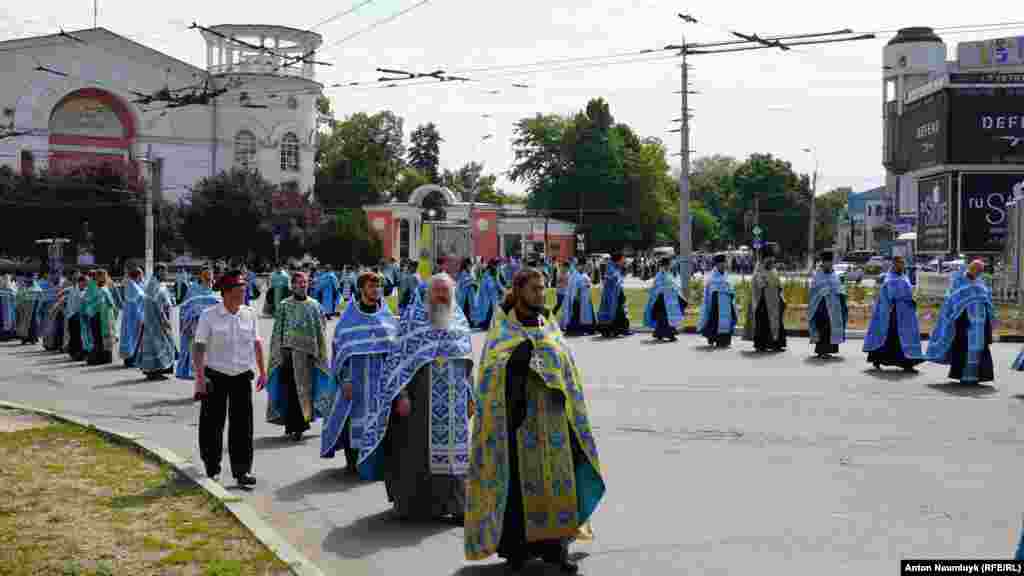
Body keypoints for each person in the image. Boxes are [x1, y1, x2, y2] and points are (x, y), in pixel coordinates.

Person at [465, 267, 605, 574]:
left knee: (559, 484)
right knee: (518, 490)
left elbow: (568, 371)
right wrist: (519, 359)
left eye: (543, 289)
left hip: (555, 422)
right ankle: (517, 551)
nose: (541, 294)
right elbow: (491, 373)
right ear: (518, 292)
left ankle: (557, 550)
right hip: (520, 423)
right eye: (535, 289)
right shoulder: (503, 331)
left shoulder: (548, 325)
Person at [356, 273, 473, 521]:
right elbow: (397, 362)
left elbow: (467, 361)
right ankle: (415, 505)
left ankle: (457, 505)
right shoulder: (413, 320)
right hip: (419, 400)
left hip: (454, 402)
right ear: (428, 293)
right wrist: (401, 395)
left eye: (446, 291)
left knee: (455, 457)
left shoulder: (460, 319)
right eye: (437, 291)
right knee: (415, 453)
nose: (442, 296)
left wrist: (470, 395)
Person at [192, 270, 266, 486]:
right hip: (216, 375)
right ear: (225, 293)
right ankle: (212, 467)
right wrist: (199, 378)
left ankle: (242, 471)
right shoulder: (209, 315)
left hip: (242, 376)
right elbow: (198, 347)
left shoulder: (250, 314)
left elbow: (257, 343)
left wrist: (263, 371)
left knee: (243, 426)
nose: (242, 295)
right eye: (237, 291)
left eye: (244, 291)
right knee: (212, 424)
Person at [321, 271, 398, 473]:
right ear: (362, 288)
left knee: (380, 420)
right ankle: (352, 462)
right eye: (372, 286)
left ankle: (377, 462)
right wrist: (344, 380)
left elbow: (395, 349)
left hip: (380, 381)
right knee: (352, 422)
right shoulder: (350, 317)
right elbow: (339, 351)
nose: (376, 290)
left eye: (379, 286)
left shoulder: (386, 314)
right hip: (355, 379)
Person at [265, 272, 334, 441]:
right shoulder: (284, 305)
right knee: (290, 391)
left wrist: (319, 352)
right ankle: (291, 424)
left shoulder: (315, 305)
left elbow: (321, 330)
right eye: (299, 282)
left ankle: (300, 426)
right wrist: (278, 353)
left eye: (305, 282)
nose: (303, 285)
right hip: (288, 355)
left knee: (305, 392)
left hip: (308, 356)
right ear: (293, 285)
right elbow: (277, 332)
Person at [928, 260, 994, 384]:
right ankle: (963, 375)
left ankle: (978, 376)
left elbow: (987, 299)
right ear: (971, 268)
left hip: (980, 322)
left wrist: (989, 318)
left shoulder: (981, 282)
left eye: (981, 271)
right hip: (964, 320)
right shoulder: (958, 281)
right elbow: (951, 299)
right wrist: (962, 313)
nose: (979, 273)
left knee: (980, 348)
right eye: (978, 270)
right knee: (963, 348)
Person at [863, 256, 924, 372]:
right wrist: (907, 297)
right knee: (890, 336)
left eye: (902, 263)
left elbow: (908, 290)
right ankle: (878, 359)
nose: (901, 266)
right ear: (894, 265)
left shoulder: (904, 277)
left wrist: (912, 297)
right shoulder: (890, 279)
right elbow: (892, 295)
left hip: (906, 313)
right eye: (899, 264)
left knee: (906, 337)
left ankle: (907, 363)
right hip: (893, 312)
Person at [176, 269, 222, 379]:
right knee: (195, 352)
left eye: (211, 279)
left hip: (210, 329)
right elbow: (185, 307)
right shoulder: (193, 290)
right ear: (202, 278)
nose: (210, 282)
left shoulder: (213, 292)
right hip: (194, 326)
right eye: (207, 279)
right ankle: (194, 373)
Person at [743, 249, 786, 352]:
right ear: (764, 259)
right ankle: (761, 345)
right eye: (769, 258)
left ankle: (776, 344)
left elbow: (778, 284)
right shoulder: (758, 271)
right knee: (763, 324)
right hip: (762, 302)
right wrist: (765, 282)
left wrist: (781, 295)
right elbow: (760, 285)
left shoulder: (774, 270)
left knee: (777, 323)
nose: (771, 260)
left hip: (775, 301)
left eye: (772, 258)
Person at [139, 265, 177, 380]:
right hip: (156, 322)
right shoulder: (154, 286)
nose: (166, 274)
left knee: (158, 345)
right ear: (159, 272)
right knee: (159, 346)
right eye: (165, 272)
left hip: (154, 321)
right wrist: (165, 320)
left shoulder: (155, 284)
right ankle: (155, 372)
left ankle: (156, 371)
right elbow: (158, 306)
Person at [808, 251, 848, 359]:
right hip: (821, 306)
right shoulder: (817, 275)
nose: (829, 264)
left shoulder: (835, 274)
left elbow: (840, 287)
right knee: (823, 328)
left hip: (834, 307)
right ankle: (821, 351)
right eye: (827, 262)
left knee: (831, 328)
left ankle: (829, 350)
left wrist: (840, 291)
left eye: (830, 262)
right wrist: (822, 290)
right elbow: (813, 290)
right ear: (823, 263)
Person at [697, 254, 737, 348]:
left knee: (726, 321)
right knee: (715, 321)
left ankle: (725, 340)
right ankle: (715, 338)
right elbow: (710, 290)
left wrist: (730, 293)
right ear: (717, 264)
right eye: (721, 263)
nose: (723, 265)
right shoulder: (711, 276)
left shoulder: (727, 275)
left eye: (724, 263)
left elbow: (731, 288)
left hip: (727, 303)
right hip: (716, 304)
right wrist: (718, 292)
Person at [644, 257, 687, 342]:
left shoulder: (668, 273)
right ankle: (668, 334)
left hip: (670, 299)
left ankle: (660, 333)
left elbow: (674, 284)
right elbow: (658, 287)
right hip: (662, 300)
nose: (669, 266)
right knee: (664, 318)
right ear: (664, 265)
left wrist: (676, 290)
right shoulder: (660, 274)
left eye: (669, 265)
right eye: (668, 264)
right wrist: (667, 288)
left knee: (667, 318)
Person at [81, 270, 117, 365]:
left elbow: (111, 303)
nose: (103, 278)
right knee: (97, 338)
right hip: (96, 315)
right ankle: (99, 358)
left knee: (104, 337)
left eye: (104, 276)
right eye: (101, 276)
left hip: (105, 316)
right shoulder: (92, 287)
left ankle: (105, 358)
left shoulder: (104, 287)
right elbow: (87, 300)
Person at [597, 253, 631, 338]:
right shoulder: (610, 268)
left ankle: (621, 329)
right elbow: (611, 279)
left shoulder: (615, 267)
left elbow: (619, 278)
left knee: (620, 311)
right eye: (622, 259)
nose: (624, 261)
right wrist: (616, 278)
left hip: (617, 293)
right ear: (618, 260)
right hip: (611, 295)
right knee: (613, 312)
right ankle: (612, 330)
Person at [119, 268, 146, 367]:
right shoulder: (131, 284)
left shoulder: (132, 284)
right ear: (138, 275)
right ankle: (131, 359)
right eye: (141, 276)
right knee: (132, 337)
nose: (142, 278)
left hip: (133, 314)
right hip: (133, 315)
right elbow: (141, 297)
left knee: (130, 337)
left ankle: (131, 358)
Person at [472, 260, 503, 331]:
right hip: (486, 296)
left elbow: (497, 283)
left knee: (491, 311)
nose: (497, 268)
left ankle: (486, 324)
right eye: (496, 266)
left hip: (491, 296)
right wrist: (497, 288)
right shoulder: (487, 274)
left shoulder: (494, 273)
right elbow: (489, 285)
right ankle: (484, 325)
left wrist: (501, 289)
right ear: (493, 266)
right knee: (487, 311)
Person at [64, 273, 88, 360]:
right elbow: (71, 304)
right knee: (75, 336)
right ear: (80, 282)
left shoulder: (85, 290)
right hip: (73, 316)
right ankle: (74, 353)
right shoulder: (73, 290)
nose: (85, 284)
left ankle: (80, 353)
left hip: (81, 317)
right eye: (84, 282)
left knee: (81, 336)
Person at [15, 276, 44, 345]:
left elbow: (41, 297)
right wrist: (19, 305)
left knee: (33, 323)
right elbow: (18, 296)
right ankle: (24, 338)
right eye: (27, 280)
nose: (28, 282)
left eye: (29, 280)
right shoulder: (22, 287)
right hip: (23, 309)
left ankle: (33, 339)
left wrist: (38, 306)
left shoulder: (37, 288)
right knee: (23, 323)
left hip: (33, 308)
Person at [0, 274, 17, 342]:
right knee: (7, 321)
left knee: (8, 321)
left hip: (8, 307)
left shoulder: (10, 287)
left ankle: (7, 335)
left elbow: (14, 296)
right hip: (6, 308)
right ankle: (7, 335)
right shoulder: (10, 287)